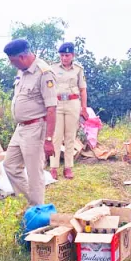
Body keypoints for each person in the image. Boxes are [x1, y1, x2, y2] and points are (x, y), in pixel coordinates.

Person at [2, 39, 56, 206]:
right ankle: (30, 204)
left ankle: (38, 210)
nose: (12, 65)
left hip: (36, 128)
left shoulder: (44, 73)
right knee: (10, 165)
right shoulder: (22, 71)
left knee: (34, 173)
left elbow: (52, 108)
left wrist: (48, 139)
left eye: (13, 61)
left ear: (23, 57)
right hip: (21, 128)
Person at [49, 42, 88, 179]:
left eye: (67, 55)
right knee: (56, 136)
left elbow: (83, 90)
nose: (64, 58)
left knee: (70, 136)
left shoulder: (78, 69)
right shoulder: (52, 68)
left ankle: (68, 167)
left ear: (73, 55)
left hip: (73, 103)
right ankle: (53, 167)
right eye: (62, 55)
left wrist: (84, 108)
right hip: (57, 103)